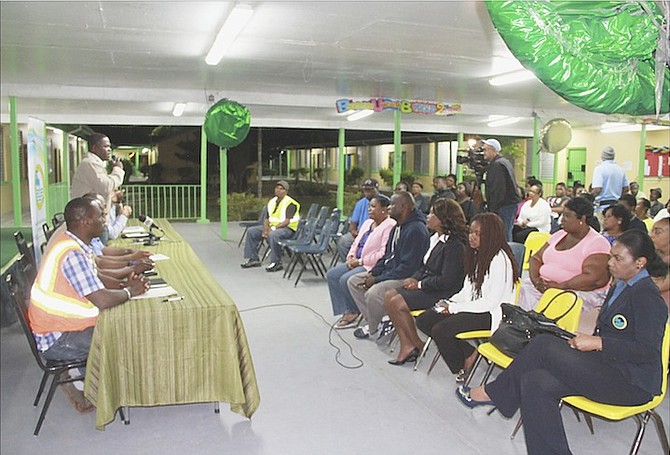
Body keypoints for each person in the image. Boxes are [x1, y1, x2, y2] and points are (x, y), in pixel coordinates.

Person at [457, 229, 668, 455]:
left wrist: (599, 343)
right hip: (608, 364)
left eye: (618, 258)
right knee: (535, 380)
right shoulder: (621, 285)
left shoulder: (647, 296)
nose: (610, 263)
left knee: (543, 345)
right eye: (611, 256)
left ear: (640, 263)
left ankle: (494, 393)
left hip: (631, 382)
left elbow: (647, 352)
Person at [28, 197, 149, 370]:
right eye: (100, 216)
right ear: (86, 222)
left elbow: (96, 279)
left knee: (122, 327)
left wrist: (123, 286)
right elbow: (102, 300)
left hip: (63, 328)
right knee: (127, 336)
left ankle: (94, 385)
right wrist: (131, 291)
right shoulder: (72, 254)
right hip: (60, 339)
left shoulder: (71, 242)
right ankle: (107, 391)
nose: (104, 220)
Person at [415, 213, 519, 381]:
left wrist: (455, 308)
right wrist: (450, 302)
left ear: (491, 235)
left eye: (478, 234)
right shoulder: (478, 254)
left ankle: (461, 366)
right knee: (425, 320)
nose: (472, 237)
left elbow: (490, 302)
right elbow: (466, 290)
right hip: (473, 306)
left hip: (491, 313)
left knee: (441, 330)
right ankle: (469, 352)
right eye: (471, 232)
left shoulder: (499, 259)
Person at [384, 198, 467, 365]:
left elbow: (447, 280)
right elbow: (425, 266)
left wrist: (420, 284)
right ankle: (409, 344)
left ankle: (415, 345)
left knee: (398, 303)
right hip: (430, 285)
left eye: (432, 213)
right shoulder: (435, 238)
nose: (427, 217)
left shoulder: (455, 245)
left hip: (443, 291)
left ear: (444, 218)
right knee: (389, 296)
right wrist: (414, 278)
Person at [519, 197, 611, 331]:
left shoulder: (597, 243)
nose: (561, 219)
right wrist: (536, 280)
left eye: (567, 216)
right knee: (517, 291)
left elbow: (595, 279)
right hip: (544, 286)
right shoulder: (559, 235)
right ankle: (517, 333)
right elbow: (536, 258)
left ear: (582, 219)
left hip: (577, 292)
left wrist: (559, 287)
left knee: (555, 302)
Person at [347, 191, 430, 339]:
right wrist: (374, 273)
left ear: (404, 207)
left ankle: (374, 328)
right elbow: (387, 256)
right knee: (354, 282)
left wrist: (378, 279)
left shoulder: (415, 230)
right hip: (392, 271)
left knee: (373, 293)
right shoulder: (398, 227)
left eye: (392, 204)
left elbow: (407, 268)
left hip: (407, 277)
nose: (389, 208)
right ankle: (381, 320)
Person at [327, 197, 396, 328]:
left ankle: (354, 312)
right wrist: (350, 256)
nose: (369, 209)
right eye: (369, 206)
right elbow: (356, 243)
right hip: (356, 260)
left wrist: (359, 261)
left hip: (370, 264)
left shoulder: (390, 225)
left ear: (383, 210)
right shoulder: (367, 223)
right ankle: (345, 310)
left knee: (345, 279)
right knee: (332, 274)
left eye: (374, 206)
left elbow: (383, 253)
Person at [70, 133, 125, 245]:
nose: (109, 150)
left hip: (95, 221)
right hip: (91, 222)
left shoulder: (95, 164)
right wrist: (118, 170)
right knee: (98, 256)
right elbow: (106, 186)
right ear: (94, 148)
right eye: (105, 146)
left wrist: (113, 197)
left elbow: (100, 190)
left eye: (110, 147)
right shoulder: (90, 164)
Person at [240, 180, 300, 272]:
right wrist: (265, 230)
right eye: (277, 188)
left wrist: (272, 229)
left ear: (286, 191)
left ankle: (276, 262)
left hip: (287, 229)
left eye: (281, 189)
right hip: (273, 227)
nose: (278, 190)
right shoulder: (272, 202)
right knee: (252, 231)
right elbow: (267, 218)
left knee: (273, 235)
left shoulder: (291, 203)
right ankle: (253, 259)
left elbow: (287, 221)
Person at [481, 138, 521, 242]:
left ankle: (506, 255)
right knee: (505, 232)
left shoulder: (497, 165)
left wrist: (493, 209)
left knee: (503, 234)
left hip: (504, 206)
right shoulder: (504, 162)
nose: (483, 153)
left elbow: (498, 189)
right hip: (508, 204)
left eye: (485, 150)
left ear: (493, 150)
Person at [337, 178, 381, 261]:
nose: (367, 192)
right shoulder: (361, 203)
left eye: (370, 189)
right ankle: (349, 263)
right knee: (343, 241)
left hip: (377, 235)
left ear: (377, 189)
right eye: (365, 189)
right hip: (360, 234)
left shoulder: (384, 202)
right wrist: (354, 232)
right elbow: (353, 224)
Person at [590, 145, 629, 217]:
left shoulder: (599, 169)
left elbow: (597, 189)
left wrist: (589, 198)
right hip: (616, 207)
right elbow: (626, 188)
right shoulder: (620, 169)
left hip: (602, 207)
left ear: (602, 156)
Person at [649, 215, 670, 311]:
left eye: (658, 232)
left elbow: (659, 286)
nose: (651, 235)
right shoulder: (650, 255)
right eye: (652, 231)